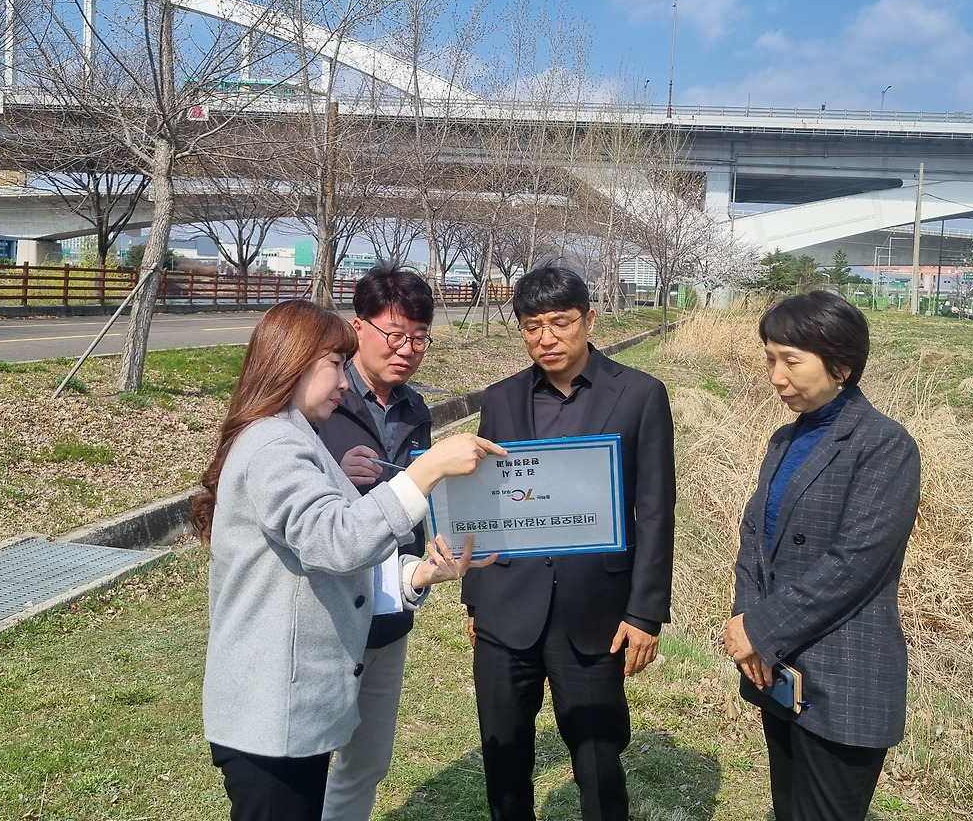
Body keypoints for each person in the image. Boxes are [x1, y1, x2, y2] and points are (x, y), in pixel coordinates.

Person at [191, 299, 504, 821]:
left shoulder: (292, 435)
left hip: (286, 712)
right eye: (335, 364)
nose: (343, 381)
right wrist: (425, 472)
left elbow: (319, 562)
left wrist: (417, 574)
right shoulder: (275, 445)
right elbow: (336, 540)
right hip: (272, 715)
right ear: (292, 363)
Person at [461, 266, 677, 821]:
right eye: (532, 326)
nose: (547, 338)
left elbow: (655, 511)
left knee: (598, 760)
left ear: (590, 320)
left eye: (561, 322)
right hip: (507, 606)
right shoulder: (502, 398)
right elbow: (487, 501)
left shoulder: (639, 395)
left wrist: (645, 612)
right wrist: (475, 600)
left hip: (594, 612)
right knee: (504, 757)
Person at [722, 291, 921, 821]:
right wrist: (747, 622)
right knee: (788, 807)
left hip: (845, 672)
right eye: (770, 359)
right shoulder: (784, 440)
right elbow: (754, 538)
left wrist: (759, 628)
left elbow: (855, 563)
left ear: (840, 365)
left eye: (791, 361)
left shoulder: (884, 445)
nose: (776, 377)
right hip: (779, 668)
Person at [313, 265, 436, 821]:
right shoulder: (318, 400)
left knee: (368, 760)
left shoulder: (415, 410)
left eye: (419, 338)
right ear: (358, 327)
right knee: (306, 760)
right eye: (395, 334)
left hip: (390, 609)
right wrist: (335, 474)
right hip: (326, 610)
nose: (407, 350)